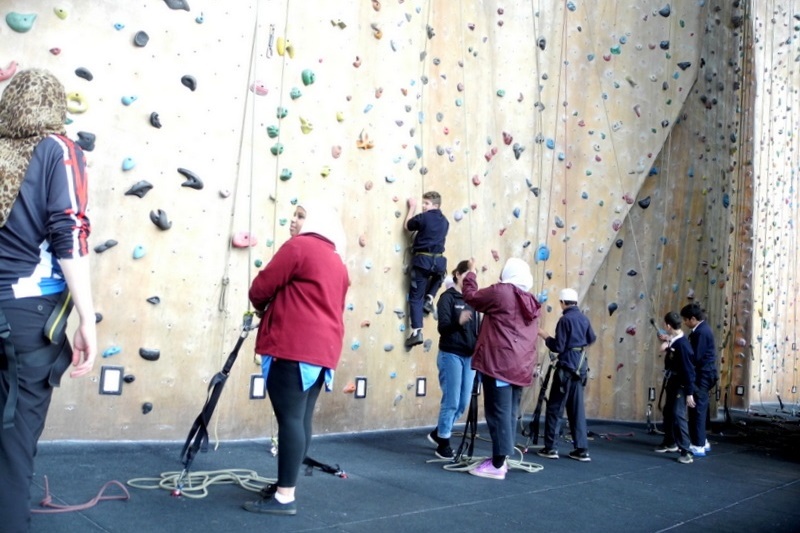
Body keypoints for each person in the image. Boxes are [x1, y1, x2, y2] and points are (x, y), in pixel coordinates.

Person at [0, 69, 97, 532]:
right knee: (13, 451)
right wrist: (87, 318)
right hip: (25, 319)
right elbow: (68, 231)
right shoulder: (58, 150)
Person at [244, 201, 349, 516]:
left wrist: (264, 307)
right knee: (301, 419)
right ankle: (284, 488)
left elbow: (260, 289)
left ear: (315, 221)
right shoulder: (338, 262)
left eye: (301, 215)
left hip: (293, 346)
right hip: (323, 351)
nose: (294, 220)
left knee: (290, 420)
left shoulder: (300, 247)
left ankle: (284, 496)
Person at [462, 257, 541, 480]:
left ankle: (497, 465)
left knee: (498, 413)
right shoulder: (530, 300)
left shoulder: (503, 292)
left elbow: (472, 297)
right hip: (520, 367)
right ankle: (501, 459)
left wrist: (471, 274)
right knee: (509, 413)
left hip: (499, 364)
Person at [427, 260, 479, 460]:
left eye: (475, 274)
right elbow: (443, 327)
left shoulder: (474, 300)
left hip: (469, 356)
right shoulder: (447, 298)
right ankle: (443, 443)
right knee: (451, 401)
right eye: (469, 273)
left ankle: (439, 431)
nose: (472, 278)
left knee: (462, 403)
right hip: (451, 353)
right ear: (457, 274)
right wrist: (459, 321)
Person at [537, 288, 596, 462]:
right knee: (577, 409)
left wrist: (546, 337)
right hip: (580, 367)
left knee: (555, 407)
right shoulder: (584, 318)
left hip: (566, 368)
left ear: (563, 302)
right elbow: (591, 338)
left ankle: (551, 448)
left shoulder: (565, 320)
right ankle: (582, 449)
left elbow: (558, 346)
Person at [404, 191, 449, 348]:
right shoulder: (445, 222)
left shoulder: (423, 217)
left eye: (426, 203)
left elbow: (407, 226)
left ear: (435, 205)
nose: (424, 206)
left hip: (423, 261)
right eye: (423, 203)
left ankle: (416, 332)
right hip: (439, 262)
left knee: (416, 297)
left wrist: (412, 207)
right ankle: (430, 299)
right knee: (440, 275)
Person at [654, 312, 696, 464]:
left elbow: (689, 370)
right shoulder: (676, 341)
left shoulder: (682, 346)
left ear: (668, 326)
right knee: (668, 412)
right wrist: (668, 344)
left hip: (681, 384)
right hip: (673, 381)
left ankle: (686, 451)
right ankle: (670, 442)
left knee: (678, 415)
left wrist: (689, 393)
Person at [680, 303, 717, 457]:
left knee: (697, 409)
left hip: (703, 375)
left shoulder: (701, 333)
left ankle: (698, 444)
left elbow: (696, 357)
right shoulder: (701, 330)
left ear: (693, 319)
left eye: (686, 320)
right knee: (699, 408)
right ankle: (701, 440)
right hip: (705, 374)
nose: (684, 323)